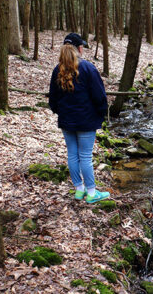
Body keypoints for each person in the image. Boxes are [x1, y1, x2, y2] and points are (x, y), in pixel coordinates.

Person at [49, 33, 110, 204]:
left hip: (67, 122)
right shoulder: (88, 68)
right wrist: (101, 113)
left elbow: (52, 100)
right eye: (82, 46)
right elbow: (100, 97)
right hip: (86, 121)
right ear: (79, 48)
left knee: (73, 155)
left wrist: (61, 112)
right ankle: (91, 192)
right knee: (85, 156)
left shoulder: (57, 70)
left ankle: (79, 190)